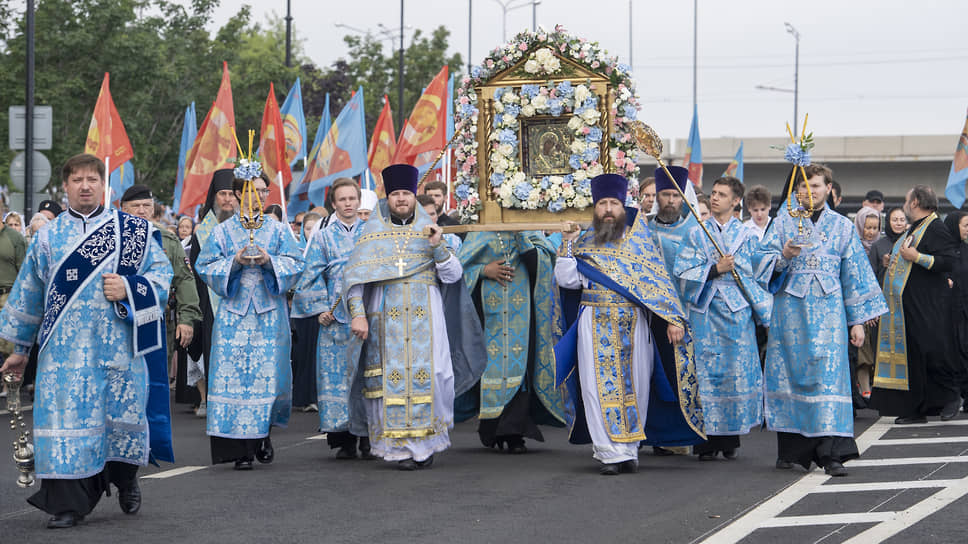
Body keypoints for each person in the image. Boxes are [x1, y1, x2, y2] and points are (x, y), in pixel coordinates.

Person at [0, 153, 173, 528]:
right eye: (76, 180)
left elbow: (162, 278)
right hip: (63, 355)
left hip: (118, 350)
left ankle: (126, 480)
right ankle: (67, 505)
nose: (84, 186)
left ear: (103, 185)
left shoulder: (133, 231)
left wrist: (129, 287)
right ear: (65, 187)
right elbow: (30, 294)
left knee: (119, 422)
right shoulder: (47, 237)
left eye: (91, 179)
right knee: (67, 429)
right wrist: (19, 350)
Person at [554, 173, 705, 475]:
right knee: (596, 388)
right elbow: (566, 280)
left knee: (636, 386)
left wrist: (673, 318)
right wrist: (567, 245)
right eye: (602, 204)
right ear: (594, 209)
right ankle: (609, 452)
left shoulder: (639, 242)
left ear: (623, 206)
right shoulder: (582, 242)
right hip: (593, 322)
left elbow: (658, 283)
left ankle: (629, 450)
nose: (608, 209)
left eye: (613, 203)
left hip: (634, 324)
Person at [342, 164, 486, 470]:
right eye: (395, 194)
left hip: (427, 318)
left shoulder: (430, 231)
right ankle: (398, 450)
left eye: (406, 193)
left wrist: (437, 246)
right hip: (385, 319)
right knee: (388, 383)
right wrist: (358, 317)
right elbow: (354, 280)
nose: (401, 199)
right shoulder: (372, 234)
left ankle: (426, 445)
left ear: (414, 198)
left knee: (433, 376)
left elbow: (453, 275)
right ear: (388, 198)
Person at [757, 164, 887, 477]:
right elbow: (759, 263)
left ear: (828, 188)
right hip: (791, 314)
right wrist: (784, 256)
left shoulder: (842, 226)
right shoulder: (782, 222)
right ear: (796, 191)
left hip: (830, 316)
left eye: (816, 186)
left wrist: (857, 322)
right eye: (804, 187)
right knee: (793, 377)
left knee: (830, 380)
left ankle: (832, 454)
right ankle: (791, 449)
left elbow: (854, 274)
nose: (810, 192)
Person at [195, 163, 304, 470]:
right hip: (232, 317)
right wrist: (235, 261)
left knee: (267, 380)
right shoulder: (221, 231)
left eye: (261, 191)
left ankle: (262, 434)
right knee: (234, 380)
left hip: (269, 316)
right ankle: (241, 451)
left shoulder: (279, 230)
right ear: (239, 194)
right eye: (250, 191)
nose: (256, 196)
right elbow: (204, 267)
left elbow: (297, 264)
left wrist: (271, 261)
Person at [674, 176, 771, 461]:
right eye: (713, 193)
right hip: (705, 310)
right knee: (707, 375)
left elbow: (759, 276)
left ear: (736, 201)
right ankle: (705, 441)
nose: (714, 198)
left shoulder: (748, 237)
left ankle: (730, 440)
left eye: (722, 194)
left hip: (737, 311)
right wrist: (714, 269)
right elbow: (682, 272)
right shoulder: (695, 233)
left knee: (733, 374)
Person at [456, 227, 565, 453]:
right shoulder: (480, 233)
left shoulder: (530, 233)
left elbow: (542, 267)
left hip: (523, 317)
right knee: (489, 370)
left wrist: (521, 236)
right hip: (487, 316)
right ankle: (492, 428)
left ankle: (514, 432)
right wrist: (483, 270)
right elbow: (457, 271)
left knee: (521, 368)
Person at [294, 177, 373, 459]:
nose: (348, 204)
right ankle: (345, 439)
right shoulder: (324, 237)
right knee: (337, 379)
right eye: (342, 199)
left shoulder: (372, 231)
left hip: (369, 315)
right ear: (334, 203)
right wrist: (319, 309)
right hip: (335, 319)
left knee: (367, 376)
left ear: (358, 201)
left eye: (352, 198)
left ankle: (369, 437)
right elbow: (309, 275)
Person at [870, 185, 962, 423]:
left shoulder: (935, 227)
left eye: (906, 200)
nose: (904, 204)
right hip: (909, 307)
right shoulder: (917, 228)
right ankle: (917, 409)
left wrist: (916, 257)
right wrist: (894, 258)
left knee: (932, 352)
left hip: (929, 305)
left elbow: (949, 261)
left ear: (915, 202)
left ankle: (951, 397)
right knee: (915, 358)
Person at [120, 185, 201, 398]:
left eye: (146, 206)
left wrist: (186, 319)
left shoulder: (166, 239)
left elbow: (184, 279)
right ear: (123, 209)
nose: (141, 210)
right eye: (135, 206)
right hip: (120, 320)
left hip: (159, 319)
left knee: (156, 379)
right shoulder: (113, 238)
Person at [180, 169, 238, 416]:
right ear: (214, 197)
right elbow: (194, 275)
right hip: (211, 305)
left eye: (231, 194)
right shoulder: (202, 232)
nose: (227, 199)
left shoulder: (246, 225)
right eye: (222, 194)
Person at [853, 206, 882, 400]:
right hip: (859, 305)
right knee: (862, 351)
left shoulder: (882, 247)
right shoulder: (853, 247)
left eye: (875, 228)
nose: (870, 232)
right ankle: (864, 388)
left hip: (878, 305)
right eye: (867, 227)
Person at [0, 211, 26, 399]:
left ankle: (11, 391)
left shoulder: (14, 237)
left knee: (8, 348)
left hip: (7, 296)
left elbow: (24, 274)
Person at [944, 212, 968, 408]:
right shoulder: (945, 252)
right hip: (949, 313)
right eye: (965, 225)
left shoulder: (966, 250)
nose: (967, 229)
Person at [870, 208, 908, 284]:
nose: (899, 223)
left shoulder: (910, 243)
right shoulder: (877, 246)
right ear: (888, 222)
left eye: (902, 220)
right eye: (895, 220)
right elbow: (872, 276)